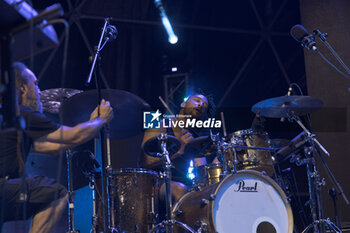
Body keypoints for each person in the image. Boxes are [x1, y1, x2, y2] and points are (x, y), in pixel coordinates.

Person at [0, 62, 113, 233]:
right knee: (56, 194)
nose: (39, 92)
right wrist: (101, 120)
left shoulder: (8, 120)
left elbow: (51, 147)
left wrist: (90, 125)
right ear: (22, 89)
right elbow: (74, 135)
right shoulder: (22, 114)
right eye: (35, 84)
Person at [140, 93, 215, 202]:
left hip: (184, 183)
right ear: (183, 104)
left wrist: (216, 165)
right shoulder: (161, 125)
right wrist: (180, 151)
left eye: (204, 105)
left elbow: (202, 171)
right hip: (156, 182)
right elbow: (144, 163)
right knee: (180, 189)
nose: (201, 105)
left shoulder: (194, 139)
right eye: (197, 100)